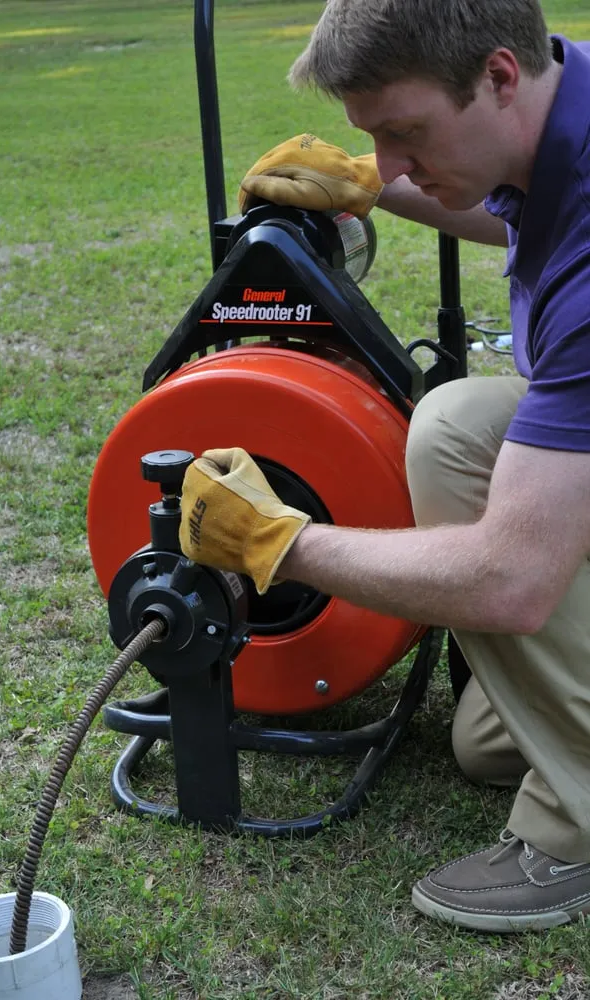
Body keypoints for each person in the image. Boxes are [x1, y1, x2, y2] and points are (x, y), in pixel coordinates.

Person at [179, 0, 590, 933]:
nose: (396, 162)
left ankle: (580, 829)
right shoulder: (562, 93)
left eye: (405, 134)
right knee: (490, 743)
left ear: (496, 75)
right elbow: (517, 199)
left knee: (463, 447)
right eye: (377, 139)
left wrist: (277, 541)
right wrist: (370, 182)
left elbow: (512, 583)